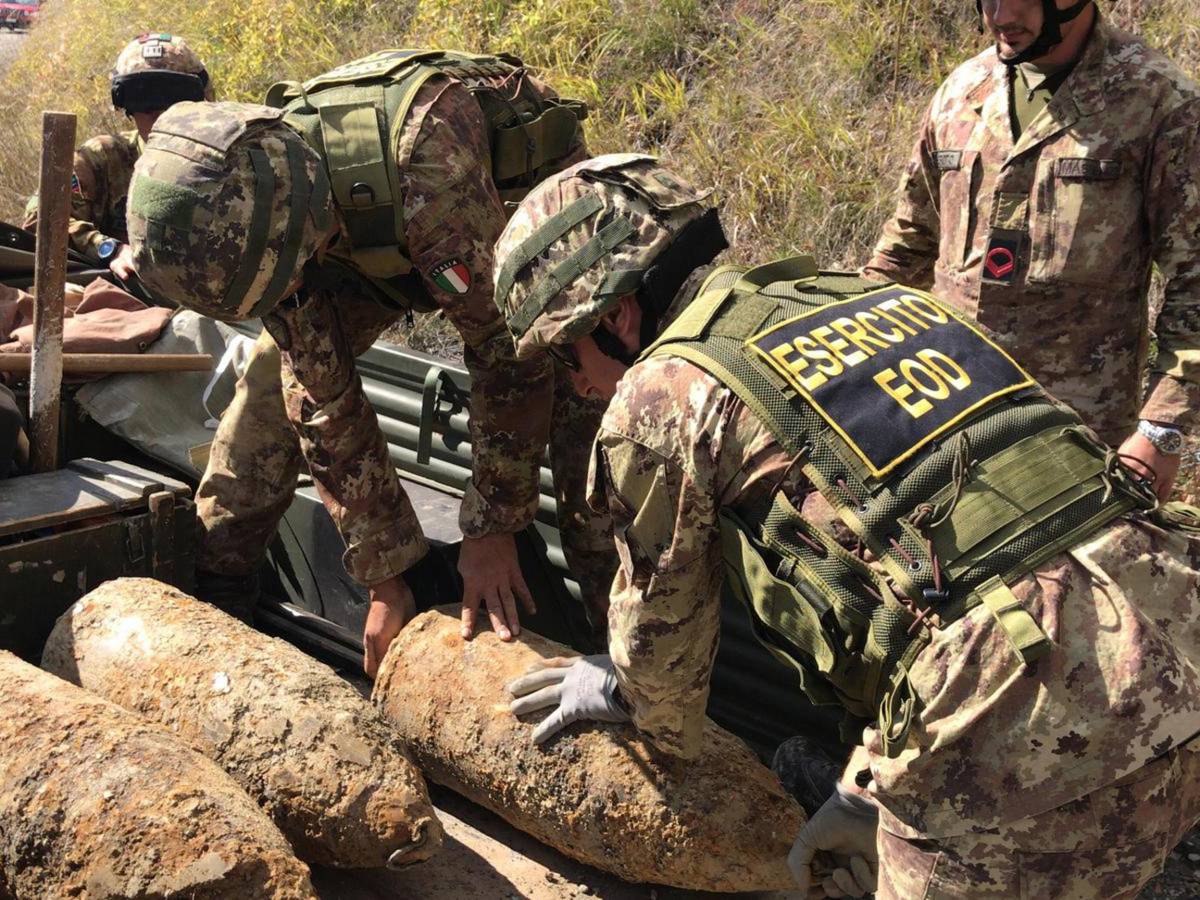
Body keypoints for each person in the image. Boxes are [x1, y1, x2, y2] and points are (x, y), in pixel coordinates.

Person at [499, 155, 1200, 899]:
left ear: (616, 316)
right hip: (1171, 629)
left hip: (1016, 724)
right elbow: (947, 569)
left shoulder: (661, 396)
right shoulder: (863, 297)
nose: (572, 381)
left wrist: (613, 681)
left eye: (562, 349)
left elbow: (664, 691)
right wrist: (867, 787)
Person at [124, 50, 602, 674]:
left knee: (586, 414)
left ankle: (618, 651)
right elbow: (323, 402)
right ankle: (217, 592)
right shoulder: (250, 204)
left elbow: (506, 354)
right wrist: (384, 573)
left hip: (513, 215)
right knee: (274, 394)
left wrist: (492, 526)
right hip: (370, 234)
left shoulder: (429, 175)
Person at [862, 0, 1200, 502]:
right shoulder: (962, 91)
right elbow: (909, 241)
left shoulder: (1159, 101)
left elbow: (1194, 283)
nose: (1000, 17)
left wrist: (1161, 430)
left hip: (1076, 438)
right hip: (944, 416)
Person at [23, 34, 213, 280]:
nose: (159, 115)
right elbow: (40, 215)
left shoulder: (223, 161)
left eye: (174, 100)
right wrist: (107, 248)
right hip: (129, 294)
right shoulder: (105, 158)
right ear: (125, 104)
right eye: (142, 99)